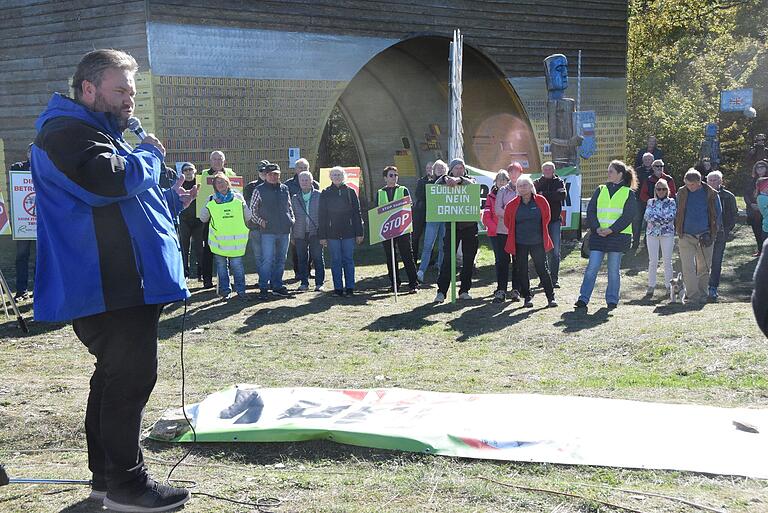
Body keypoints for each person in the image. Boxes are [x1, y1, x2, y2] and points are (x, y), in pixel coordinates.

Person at [30, 49, 195, 511]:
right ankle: (127, 486)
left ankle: (106, 481)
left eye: (133, 92)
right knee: (128, 380)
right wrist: (146, 156)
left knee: (113, 379)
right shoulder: (65, 133)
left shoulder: (98, 133)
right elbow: (107, 183)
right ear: (88, 89)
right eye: (120, 90)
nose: (129, 101)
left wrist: (171, 202)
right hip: (107, 284)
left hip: (125, 284)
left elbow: (128, 202)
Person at [575, 160, 638, 310]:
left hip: (618, 237)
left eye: (611, 171)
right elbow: (591, 211)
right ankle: (583, 299)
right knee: (592, 267)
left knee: (613, 270)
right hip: (598, 236)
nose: (608, 174)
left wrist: (611, 230)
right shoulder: (600, 189)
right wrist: (596, 228)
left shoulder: (628, 193)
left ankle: (612, 300)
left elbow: (628, 216)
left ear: (620, 174)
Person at [504, 175, 557, 308]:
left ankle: (551, 298)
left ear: (531, 186)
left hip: (538, 242)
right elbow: (507, 222)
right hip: (519, 243)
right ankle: (527, 297)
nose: (522, 188)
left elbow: (547, 217)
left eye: (525, 185)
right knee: (522, 270)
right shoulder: (512, 205)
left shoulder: (541, 201)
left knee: (542, 270)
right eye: (520, 186)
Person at [433, 158, 478, 303]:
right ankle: (441, 292)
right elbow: (435, 185)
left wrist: (458, 180)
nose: (459, 170)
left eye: (461, 168)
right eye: (456, 168)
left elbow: (472, 184)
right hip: (452, 226)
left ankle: (464, 290)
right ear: (451, 169)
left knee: (469, 259)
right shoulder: (444, 180)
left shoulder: (470, 179)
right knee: (448, 260)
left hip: (469, 227)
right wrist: (446, 178)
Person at [674, 169, 722, 304]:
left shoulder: (711, 194)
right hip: (686, 235)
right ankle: (692, 296)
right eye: (687, 185)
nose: (690, 187)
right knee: (687, 267)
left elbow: (718, 214)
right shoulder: (681, 193)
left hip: (705, 235)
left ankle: (702, 294)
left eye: (693, 185)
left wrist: (712, 233)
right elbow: (678, 211)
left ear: (699, 182)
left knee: (704, 268)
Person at [199, 173, 250, 300]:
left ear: (228, 183)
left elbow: (248, 216)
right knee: (221, 267)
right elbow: (203, 218)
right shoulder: (211, 199)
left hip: (235, 241)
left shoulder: (238, 197)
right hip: (219, 242)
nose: (221, 185)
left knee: (237, 266)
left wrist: (243, 206)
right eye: (218, 183)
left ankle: (241, 291)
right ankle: (225, 291)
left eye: (223, 182)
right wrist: (210, 206)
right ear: (215, 186)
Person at [250, 163, 295, 299]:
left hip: (284, 230)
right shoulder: (259, 189)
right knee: (267, 260)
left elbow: (289, 206)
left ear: (279, 175)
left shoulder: (284, 188)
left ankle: (277, 286)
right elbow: (252, 210)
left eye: (276, 174)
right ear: (265, 176)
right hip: (268, 231)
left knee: (281, 260)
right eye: (270, 174)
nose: (273, 176)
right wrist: (261, 221)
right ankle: (263, 287)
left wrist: (291, 219)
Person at [318, 166, 364, 296]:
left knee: (348, 260)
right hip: (332, 234)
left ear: (344, 176)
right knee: (336, 260)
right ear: (330, 177)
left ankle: (350, 288)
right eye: (334, 175)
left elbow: (357, 213)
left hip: (349, 233)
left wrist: (359, 233)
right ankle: (338, 288)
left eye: (339, 174)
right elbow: (322, 215)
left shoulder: (350, 192)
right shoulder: (325, 193)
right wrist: (322, 236)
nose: (337, 177)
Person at [376, 165, 419, 293]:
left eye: (395, 175)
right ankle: (394, 283)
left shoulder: (403, 189)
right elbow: (377, 211)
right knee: (390, 256)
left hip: (402, 227)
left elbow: (409, 206)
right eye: (391, 175)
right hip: (387, 229)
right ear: (385, 178)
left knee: (407, 255)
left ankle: (413, 283)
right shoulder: (380, 192)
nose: (394, 177)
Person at [200, 150, 236, 288]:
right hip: (210, 218)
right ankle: (207, 280)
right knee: (208, 250)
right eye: (214, 159)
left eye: (219, 159)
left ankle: (227, 279)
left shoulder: (231, 174)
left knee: (229, 249)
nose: (217, 161)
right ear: (210, 161)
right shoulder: (203, 175)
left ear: (224, 161)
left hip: (228, 218)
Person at [482, 169, 519, 303]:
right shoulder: (491, 196)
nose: (502, 182)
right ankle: (501, 289)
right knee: (501, 261)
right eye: (499, 179)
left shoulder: (515, 193)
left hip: (512, 232)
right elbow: (486, 216)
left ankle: (516, 289)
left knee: (517, 261)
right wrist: (496, 229)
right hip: (496, 233)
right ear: (495, 181)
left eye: (504, 179)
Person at [533, 161, 567, 288]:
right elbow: (534, 196)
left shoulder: (559, 182)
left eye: (549, 169)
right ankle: (544, 279)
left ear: (553, 171)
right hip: (540, 222)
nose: (547, 171)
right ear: (542, 171)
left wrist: (544, 194)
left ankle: (554, 279)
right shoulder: (537, 183)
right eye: (545, 169)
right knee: (542, 251)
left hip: (554, 221)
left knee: (555, 251)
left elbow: (562, 195)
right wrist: (551, 195)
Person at [284, 158, 320, 278]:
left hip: (313, 224)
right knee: (297, 251)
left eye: (305, 168)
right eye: (300, 167)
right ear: (295, 169)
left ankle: (309, 271)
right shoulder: (288, 184)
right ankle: (298, 272)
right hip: (297, 224)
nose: (303, 170)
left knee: (314, 251)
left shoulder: (315, 185)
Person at [291, 170, 325, 291]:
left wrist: (324, 234)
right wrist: (292, 236)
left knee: (317, 257)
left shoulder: (319, 195)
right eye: (302, 180)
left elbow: (324, 215)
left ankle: (319, 283)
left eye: (306, 180)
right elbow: (292, 217)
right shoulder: (295, 198)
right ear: (299, 182)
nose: (304, 182)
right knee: (302, 258)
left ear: (311, 181)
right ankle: (304, 283)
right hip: (299, 232)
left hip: (315, 232)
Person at [706, 170, 737, 300]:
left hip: (721, 234)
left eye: (715, 180)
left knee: (717, 261)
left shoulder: (729, 196)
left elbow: (733, 215)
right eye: (710, 180)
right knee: (703, 261)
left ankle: (713, 287)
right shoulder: (702, 194)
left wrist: (727, 229)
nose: (713, 182)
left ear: (721, 181)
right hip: (705, 233)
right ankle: (701, 287)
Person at [643, 178, 676, 297]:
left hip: (667, 234)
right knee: (653, 261)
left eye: (663, 189)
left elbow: (671, 216)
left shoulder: (671, 202)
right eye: (658, 189)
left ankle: (669, 286)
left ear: (667, 190)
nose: (661, 191)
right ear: (655, 190)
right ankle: (651, 285)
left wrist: (656, 219)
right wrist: (660, 220)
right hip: (652, 234)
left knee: (667, 261)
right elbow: (647, 216)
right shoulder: (650, 202)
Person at [10, 144, 34, 300]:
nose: (33, 154)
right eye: (31, 152)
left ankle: (39, 290)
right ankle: (21, 290)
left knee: (43, 258)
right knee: (22, 256)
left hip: (41, 223)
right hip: (23, 221)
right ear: (27, 154)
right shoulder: (18, 167)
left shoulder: (47, 169)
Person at [416, 160, 447, 283]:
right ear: (433, 170)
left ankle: (441, 269)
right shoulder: (429, 183)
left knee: (443, 246)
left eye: (443, 168)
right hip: (433, 217)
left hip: (445, 218)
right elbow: (421, 196)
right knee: (428, 245)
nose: (440, 170)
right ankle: (421, 271)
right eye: (438, 168)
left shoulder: (450, 182)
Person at [243, 159, 270, 282]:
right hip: (255, 227)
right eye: (261, 170)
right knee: (259, 255)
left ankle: (269, 279)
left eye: (266, 170)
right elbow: (248, 207)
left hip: (271, 228)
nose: (263, 173)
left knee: (270, 255)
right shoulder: (250, 187)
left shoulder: (276, 185)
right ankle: (263, 280)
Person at [177, 162, 203, 281]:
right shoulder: (178, 185)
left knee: (199, 248)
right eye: (185, 170)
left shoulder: (200, 184)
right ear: (182, 173)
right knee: (184, 248)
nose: (188, 172)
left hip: (198, 220)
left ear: (195, 171)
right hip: (184, 220)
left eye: (190, 169)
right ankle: (185, 274)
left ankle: (200, 273)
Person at [412, 160, 434, 263]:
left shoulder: (438, 181)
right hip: (420, 212)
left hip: (432, 212)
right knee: (416, 235)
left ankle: (430, 259)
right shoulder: (421, 181)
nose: (430, 170)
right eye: (428, 168)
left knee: (430, 237)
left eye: (431, 168)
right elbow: (418, 195)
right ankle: (414, 258)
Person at [632, 152, 655, 250]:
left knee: (649, 222)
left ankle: (646, 242)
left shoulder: (655, 171)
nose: (647, 161)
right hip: (638, 200)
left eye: (649, 159)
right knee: (636, 221)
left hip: (651, 200)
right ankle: (635, 242)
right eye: (645, 159)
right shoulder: (637, 171)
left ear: (652, 160)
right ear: (642, 160)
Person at [745, 160, 768, 257]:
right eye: (758, 167)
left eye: (762, 167)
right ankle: (760, 250)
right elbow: (746, 194)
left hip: (765, 209)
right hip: (754, 210)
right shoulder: (751, 180)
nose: (760, 169)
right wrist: (751, 204)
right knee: (757, 230)